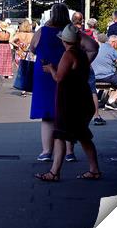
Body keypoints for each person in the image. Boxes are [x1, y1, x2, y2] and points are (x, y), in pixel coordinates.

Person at [35, 24, 100, 182]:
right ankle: (94, 170)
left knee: (60, 135)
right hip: (83, 98)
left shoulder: (68, 55)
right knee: (84, 136)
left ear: (64, 41)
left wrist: (50, 68)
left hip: (70, 101)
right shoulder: (82, 54)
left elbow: (59, 78)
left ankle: (54, 172)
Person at [29, 3, 75, 162]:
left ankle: (46, 151)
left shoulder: (42, 31)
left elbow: (32, 48)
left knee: (47, 115)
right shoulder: (71, 31)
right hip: (67, 72)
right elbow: (88, 48)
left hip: (44, 73)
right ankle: (69, 152)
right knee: (66, 113)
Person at [71, 12, 104, 126]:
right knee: (92, 91)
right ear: (82, 21)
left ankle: (75, 115)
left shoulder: (69, 33)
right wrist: (88, 60)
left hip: (72, 65)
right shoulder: (86, 33)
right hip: (85, 64)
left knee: (72, 90)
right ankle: (96, 115)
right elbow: (95, 47)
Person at [92, 35, 117, 110]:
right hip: (106, 75)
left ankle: (106, 100)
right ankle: (111, 101)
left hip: (94, 75)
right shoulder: (112, 50)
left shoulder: (98, 47)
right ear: (113, 42)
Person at [12, 20, 35, 96]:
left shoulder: (19, 34)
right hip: (29, 54)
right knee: (29, 72)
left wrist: (18, 45)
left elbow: (10, 41)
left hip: (20, 53)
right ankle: (29, 88)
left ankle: (23, 89)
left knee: (22, 71)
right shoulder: (31, 35)